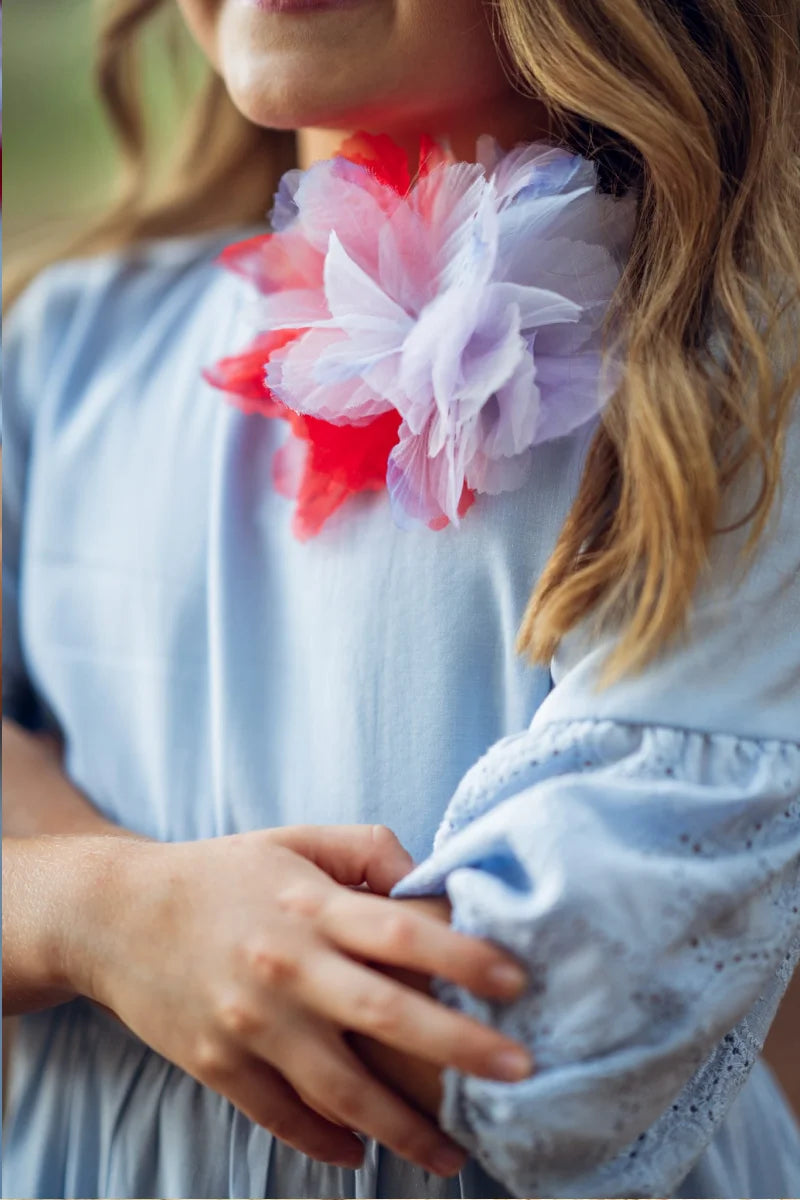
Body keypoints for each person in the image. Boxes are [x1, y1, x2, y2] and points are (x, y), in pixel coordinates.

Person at [2, 1, 799, 1197]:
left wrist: (64, 866)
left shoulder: (728, 379)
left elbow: (549, 1032)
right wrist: (104, 910)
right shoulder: (66, 352)